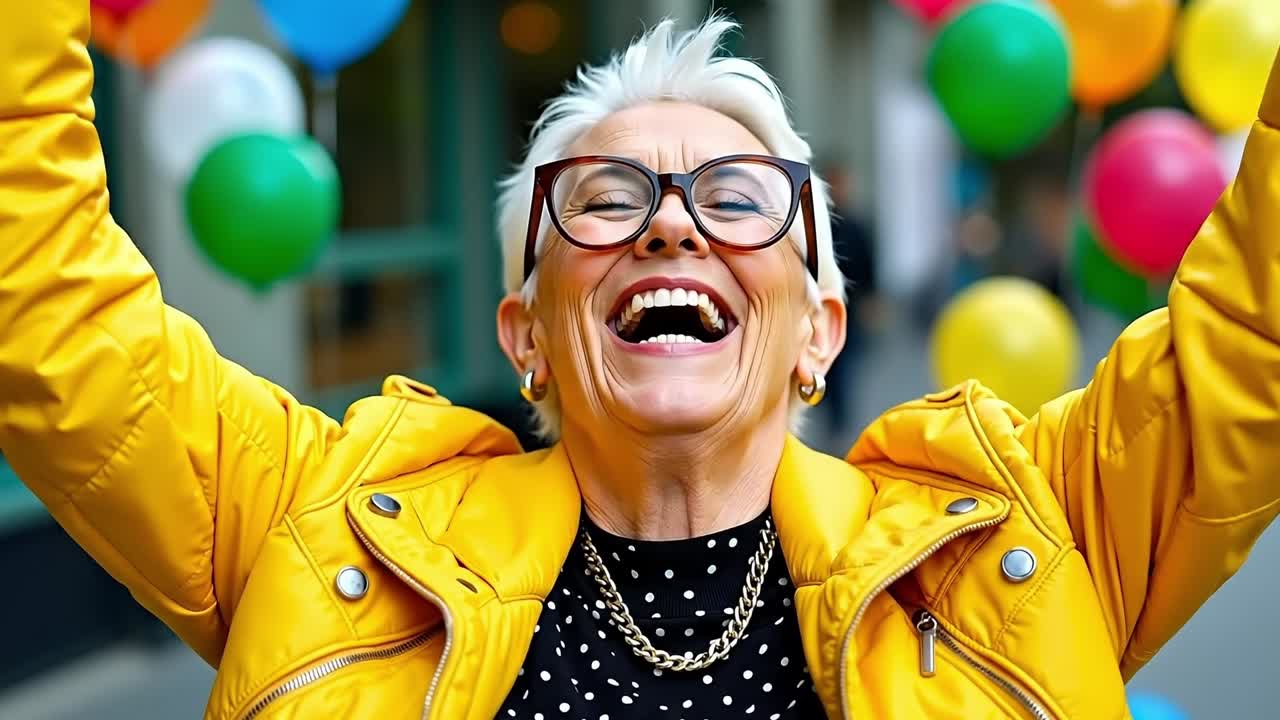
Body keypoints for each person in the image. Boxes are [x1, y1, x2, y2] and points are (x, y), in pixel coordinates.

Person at [2, 4, 1278, 719]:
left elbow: (1252, 329)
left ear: (820, 329)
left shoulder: (1025, 537)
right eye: (605, 199)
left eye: (735, 197)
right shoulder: (312, 529)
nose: (670, 225)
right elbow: (41, 294)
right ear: (526, 337)